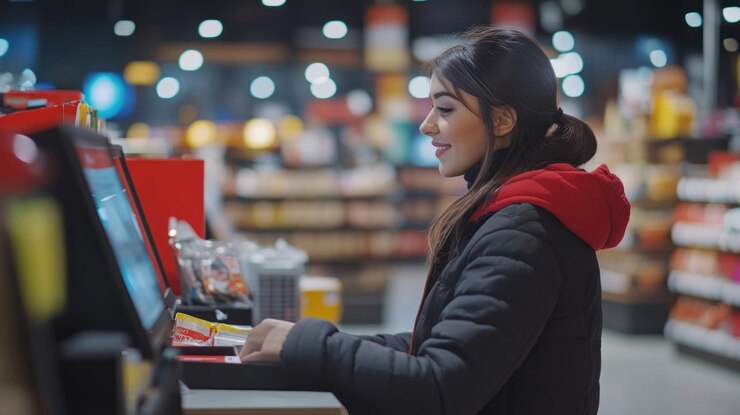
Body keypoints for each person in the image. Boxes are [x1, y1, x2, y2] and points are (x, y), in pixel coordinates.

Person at [239, 26, 630, 415]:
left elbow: (439, 388)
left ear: (503, 121)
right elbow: (439, 346)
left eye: (444, 109)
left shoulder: (523, 235)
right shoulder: (513, 219)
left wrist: (312, 345)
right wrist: (303, 341)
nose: (427, 125)